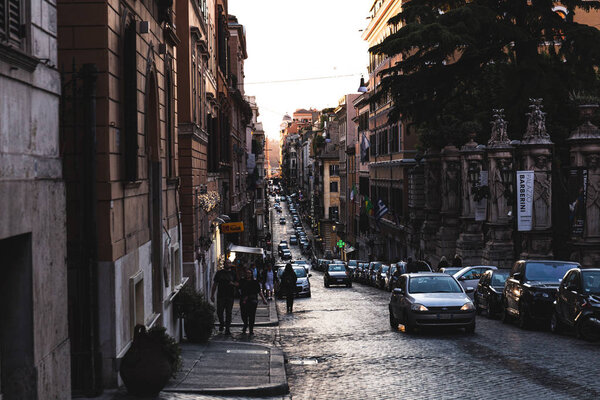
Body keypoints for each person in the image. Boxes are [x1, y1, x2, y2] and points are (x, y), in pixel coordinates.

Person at [210, 262, 238, 335]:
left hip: (230, 296)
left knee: (229, 312)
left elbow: (237, 283)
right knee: (220, 311)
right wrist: (212, 295)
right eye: (226, 263)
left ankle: (227, 328)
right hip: (221, 295)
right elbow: (215, 284)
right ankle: (222, 323)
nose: (227, 264)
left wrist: (233, 284)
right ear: (224, 264)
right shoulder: (219, 273)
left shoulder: (233, 273)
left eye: (229, 263)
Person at [239, 268, 267, 335]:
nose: (248, 274)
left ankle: (251, 329)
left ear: (251, 274)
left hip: (252, 300)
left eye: (249, 273)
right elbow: (239, 288)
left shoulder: (255, 282)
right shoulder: (242, 281)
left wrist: (263, 299)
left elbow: (259, 291)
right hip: (244, 300)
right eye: (247, 273)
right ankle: (245, 324)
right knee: (244, 314)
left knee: (252, 315)